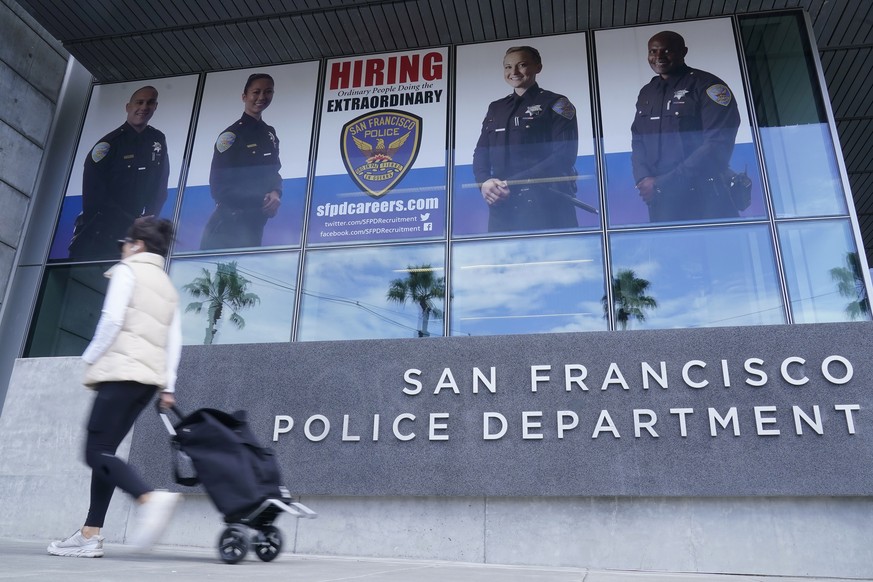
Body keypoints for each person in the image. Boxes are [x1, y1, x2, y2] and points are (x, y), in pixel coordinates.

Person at [48, 216, 182, 558]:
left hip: (121, 371)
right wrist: (168, 385)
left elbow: (111, 319)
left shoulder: (128, 270)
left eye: (125, 242)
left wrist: (89, 356)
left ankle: (147, 497)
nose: (122, 248)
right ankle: (90, 533)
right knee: (105, 453)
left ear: (137, 245)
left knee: (94, 452)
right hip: (148, 381)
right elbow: (174, 340)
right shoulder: (167, 286)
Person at [631, 30, 741, 222]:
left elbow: (717, 143)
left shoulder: (708, 86)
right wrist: (643, 179)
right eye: (653, 51)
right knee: (670, 252)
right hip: (663, 200)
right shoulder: (647, 92)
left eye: (667, 51)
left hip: (705, 196)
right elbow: (638, 139)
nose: (659, 57)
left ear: (684, 51)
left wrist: (664, 183)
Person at [472, 46, 580, 233]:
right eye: (508, 67)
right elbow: (481, 152)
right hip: (503, 208)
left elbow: (564, 155)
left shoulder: (560, 103)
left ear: (538, 67)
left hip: (546, 205)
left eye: (522, 65)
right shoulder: (495, 108)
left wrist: (513, 183)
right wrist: (484, 183)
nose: (513, 72)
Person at [69, 86, 169, 261]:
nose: (144, 107)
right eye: (139, 102)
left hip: (136, 236)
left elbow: (161, 184)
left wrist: (149, 219)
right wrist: (130, 221)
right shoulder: (109, 145)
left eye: (150, 103)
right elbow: (95, 199)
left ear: (156, 107)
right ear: (128, 107)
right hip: (101, 236)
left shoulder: (157, 139)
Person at [200, 73, 282, 250]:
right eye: (256, 92)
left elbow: (274, 172)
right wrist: (262, 198)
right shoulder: (231, 136)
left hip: (254, 224)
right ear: (244, 96)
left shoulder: (269, 134)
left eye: (268, 92)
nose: (262, 97)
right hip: (228, 224)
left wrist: (276, 192)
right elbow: (219, 188)